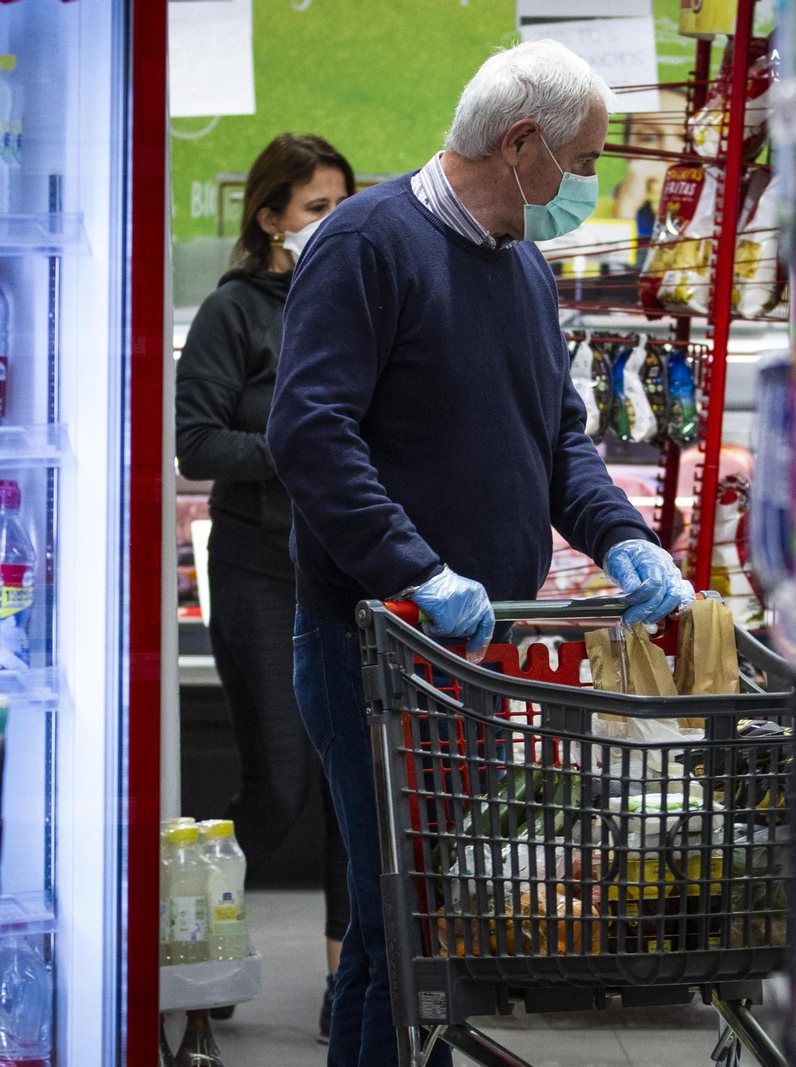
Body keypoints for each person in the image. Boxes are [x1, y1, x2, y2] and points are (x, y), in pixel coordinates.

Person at [268, 40, 694, 1067]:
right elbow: (309, 431)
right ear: (519, 146)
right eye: (581, 162)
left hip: (474, 654)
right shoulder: (367, 244)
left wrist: (624, 538)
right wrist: (415, 566)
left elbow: (557, 444)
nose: (583, 186)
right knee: (399, 925)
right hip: (373, 640)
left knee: (417, 927)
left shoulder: (522, 270)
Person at [175, 132, 356, 1044]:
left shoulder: (359, 300)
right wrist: (294, 449)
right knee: (280, 784)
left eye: (340, 204)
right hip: (257, 568)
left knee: (345, 786)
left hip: (350, 570)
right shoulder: (233, 313)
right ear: (271, 216)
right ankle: (191, 939)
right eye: (315, 206)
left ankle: (343, 984)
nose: (330, 221)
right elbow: (197, 444)